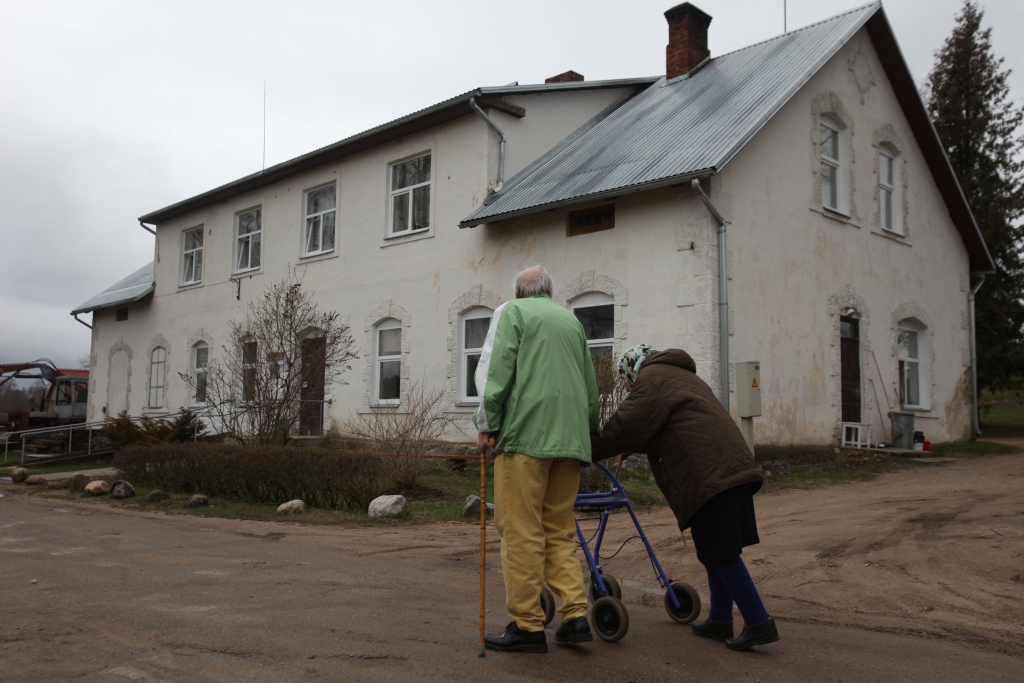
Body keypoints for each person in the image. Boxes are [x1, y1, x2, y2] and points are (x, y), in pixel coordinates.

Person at [591, 344, 779, 651]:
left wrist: (582, 450)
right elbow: (677, 427)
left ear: (631, 372)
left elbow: (625, 426)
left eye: (626, 384)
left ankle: (759, 621)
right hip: (728, 469)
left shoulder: (651, 381)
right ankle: (719, 620)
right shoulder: (678, 376)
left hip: (710, 476)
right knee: (714, 551)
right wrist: (634, 445)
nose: (628, 389)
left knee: (721, 553)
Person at [475, 265, 601, 654]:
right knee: (558, 529)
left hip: (525, 438)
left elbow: (497, 374)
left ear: (518, 293)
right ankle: (576, 616)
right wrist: (589, 431)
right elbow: (590, 386)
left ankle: (528, 625)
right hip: (571, 440)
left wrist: (486, 422)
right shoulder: (571, 321)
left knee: (520, 530)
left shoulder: (513, 313)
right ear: (551, 290)